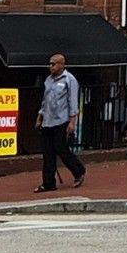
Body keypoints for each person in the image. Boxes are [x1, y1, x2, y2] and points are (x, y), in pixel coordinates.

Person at [35, 52, 85, 191]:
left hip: (61, 120)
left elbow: (72, 101)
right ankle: (48, 183)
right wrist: (40, 116)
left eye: (53, 63)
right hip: (48, 121)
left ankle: (78, 171)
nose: (50, 66)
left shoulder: (69, 80)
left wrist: (72, 122)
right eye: (50, 63)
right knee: (48, 153)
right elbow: (45, 101)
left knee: (61, 149)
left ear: (62, 64)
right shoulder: (48, 80)